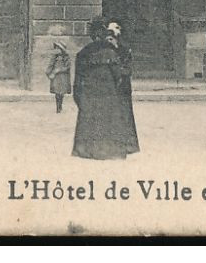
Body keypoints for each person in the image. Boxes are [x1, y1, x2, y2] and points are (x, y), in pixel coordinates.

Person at [72, 18, 139, 159]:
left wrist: (79, 97)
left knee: (89, 123)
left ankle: (86, 151)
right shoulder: (111, 52)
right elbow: (119, 75)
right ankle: (108, 152)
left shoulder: (84, 52)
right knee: (109, 123)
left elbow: (78, 78)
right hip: (109, 95)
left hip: (89, 94)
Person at [46, 40, 72, 113]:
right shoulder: (54, 57)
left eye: (58, 48)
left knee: (61, 92)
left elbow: (68, 67)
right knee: (57, 92)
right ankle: (58, 107)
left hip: (63, 76)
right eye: (56, 48)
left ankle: (60, 105)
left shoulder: (66, 57)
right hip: (56, 77)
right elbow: (50, 65)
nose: (56, 50)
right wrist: (48, 72)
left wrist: (59, 69)